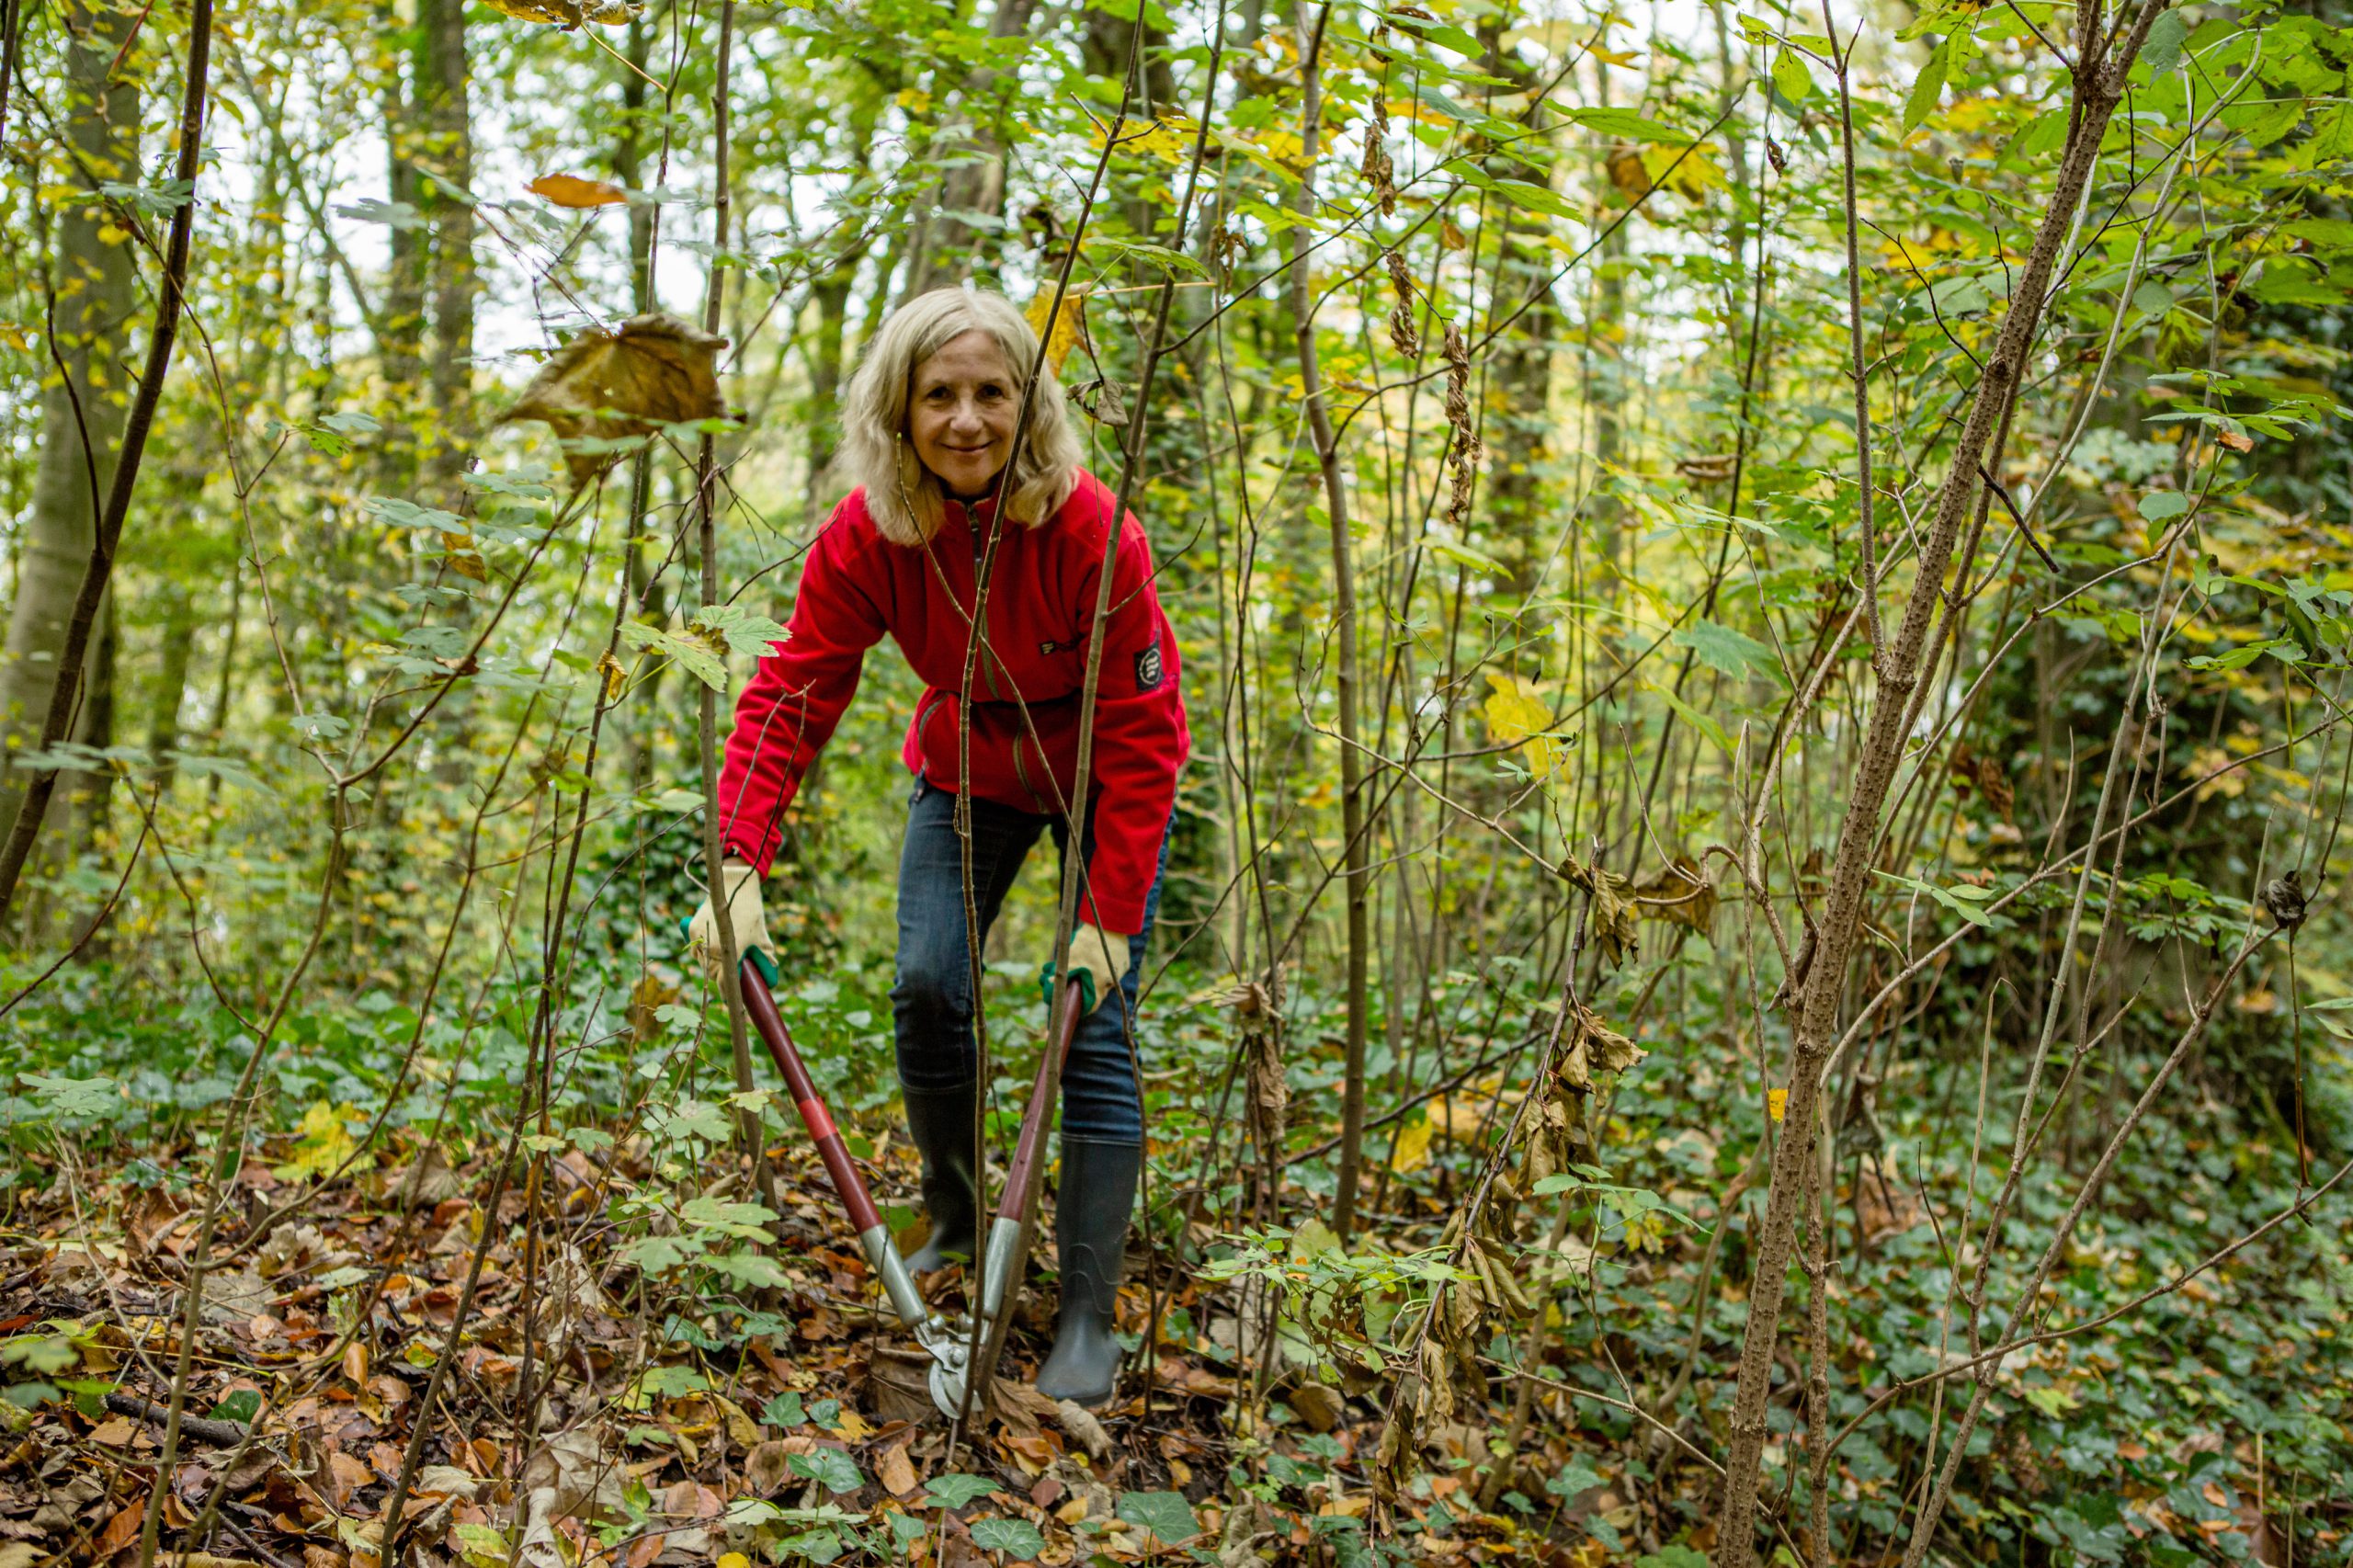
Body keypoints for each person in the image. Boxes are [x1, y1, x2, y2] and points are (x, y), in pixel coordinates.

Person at [686, 286, 1189, 1406]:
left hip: (1099, 774)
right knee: (926, 983)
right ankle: (958, 1215)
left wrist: (1105, 919)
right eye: (940, 395)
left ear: (1028, 402)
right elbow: (793, 686)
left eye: (991, 393)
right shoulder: (873, 531)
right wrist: (736, 857)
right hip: (967, 768)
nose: (967, 419)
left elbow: (1148, 736)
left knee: (1093, 1024)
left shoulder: (1095, 533)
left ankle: (1088, 1316)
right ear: (901, 410)